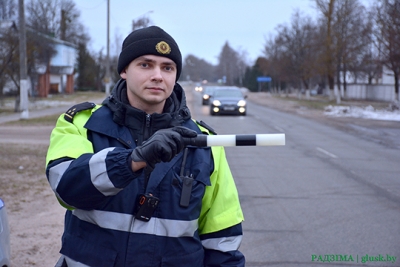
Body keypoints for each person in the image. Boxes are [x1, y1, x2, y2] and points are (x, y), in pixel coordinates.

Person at [46, 26, 245, 267]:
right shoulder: (81, 123)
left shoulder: (204, 142)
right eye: (145, 65)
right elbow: (67, 188)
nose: (158, 76)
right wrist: (131, 161)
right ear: (124, 70)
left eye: (167, 68)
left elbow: (222, 238)